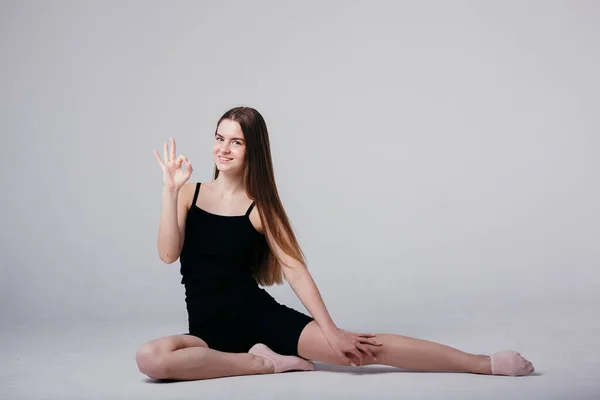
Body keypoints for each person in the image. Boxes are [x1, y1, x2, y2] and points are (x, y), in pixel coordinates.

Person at [136, 106, 535, 381]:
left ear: (252, 150)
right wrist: (169, 191)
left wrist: (331, 331)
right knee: (150, 359)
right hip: (206, 333)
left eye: (236, 142)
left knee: (361, 350)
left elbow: (295, 270)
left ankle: (480, 364)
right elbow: (168, 254)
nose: (223, 148)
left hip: (259, 319)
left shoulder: (260, 209)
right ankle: (260, 364)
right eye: (220, 137)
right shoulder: (188, 194)